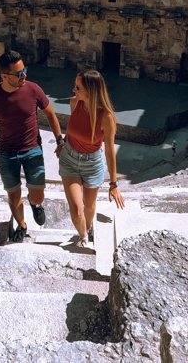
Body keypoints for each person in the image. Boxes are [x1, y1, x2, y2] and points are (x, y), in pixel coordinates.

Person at [0, 50, 64, 242]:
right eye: (19, 73)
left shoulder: (33, 89)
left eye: (25, 70)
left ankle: (35, 204)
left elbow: (50, 114)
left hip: (33, 150)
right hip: (7, 154)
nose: (24, 75)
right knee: (13, 197)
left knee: (38, 194)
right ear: (4, 76)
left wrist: (59, 140)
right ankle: (22, 226)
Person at [58, 69, 124, 248]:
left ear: (91, 90)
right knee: (76, 210)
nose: (74, 90)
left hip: (92, 164)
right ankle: (83, 237)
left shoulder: (107, 117)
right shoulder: (75, 103)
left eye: (78, 88)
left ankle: (88, 227)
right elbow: (73, 130)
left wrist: (114, 184)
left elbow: (110, 151)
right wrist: (63, 143)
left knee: (89, 206)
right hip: (69, 160)